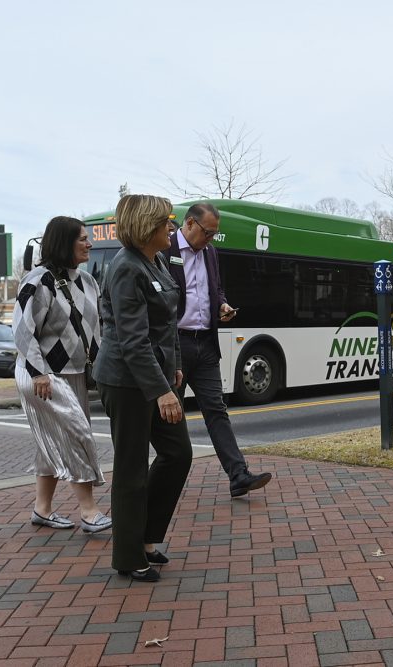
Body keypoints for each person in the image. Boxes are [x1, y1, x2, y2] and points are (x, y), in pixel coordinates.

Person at [93, 194, 193, 582]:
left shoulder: (157, 261)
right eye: (166, 221)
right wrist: (162, 391)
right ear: (146, 226)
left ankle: (148, 537)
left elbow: (167, 324)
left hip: (155, 376)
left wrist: (177, 367)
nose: (172, 227)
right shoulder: (125, 268)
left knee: (178, 453)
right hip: (125, 381)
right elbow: (132, 340)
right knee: (131, 468)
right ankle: (129, 556)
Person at [165, 203, 272, 498]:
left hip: (206, 343)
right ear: (189, 224)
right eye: (208, 232)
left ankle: (238, 475)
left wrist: (222, 305)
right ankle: (165, 476)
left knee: (216, 410)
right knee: (169, 415)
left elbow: (216, 289)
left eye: (214, 233)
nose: (211, 239)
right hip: (177, 344)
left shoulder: (211, 252)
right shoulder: (166, 248)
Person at [13, 216, 111, 534]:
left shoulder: (88, 282)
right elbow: (22, 330)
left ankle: (42, 509)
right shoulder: (37, 281)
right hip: (45, 376)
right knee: (76, 436)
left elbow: (95, 330)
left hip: (75, 374)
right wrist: (39, 372)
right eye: (82, 238)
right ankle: (90, 511)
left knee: (52, 442)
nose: (89, 243)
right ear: (63, 242)